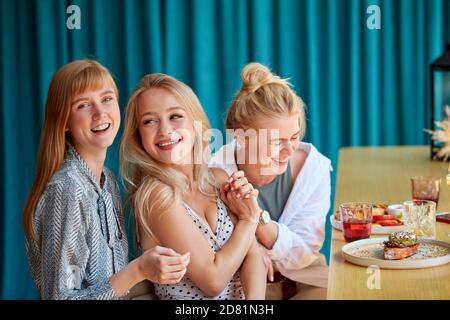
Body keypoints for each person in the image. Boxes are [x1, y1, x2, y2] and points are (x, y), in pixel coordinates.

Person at [23, 60, 189, 300]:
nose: (100, 113)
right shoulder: (68, 189)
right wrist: (138, 269)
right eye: (83, 105)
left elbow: (110, 286)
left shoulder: (108, 182)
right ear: (64, 122)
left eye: (107, 98)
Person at [120, 73, 267, 300]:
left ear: (195, 122)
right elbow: (213, 281)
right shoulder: (156, 196)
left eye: (175, 116)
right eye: (150, 121)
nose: (165, 130)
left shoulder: (218, 178)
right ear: (139, 135)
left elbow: (253, 256)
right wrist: (249, 219)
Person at [209, 62, 332, 300]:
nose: (288, 151)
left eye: (294, 137)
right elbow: (216, 251)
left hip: (307, 278)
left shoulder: (313, 167)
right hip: (242, 286)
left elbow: (305, 252)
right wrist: (252, 251)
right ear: (241, 137)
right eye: (276, 141)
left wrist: (257, 220)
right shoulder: (215, 172)